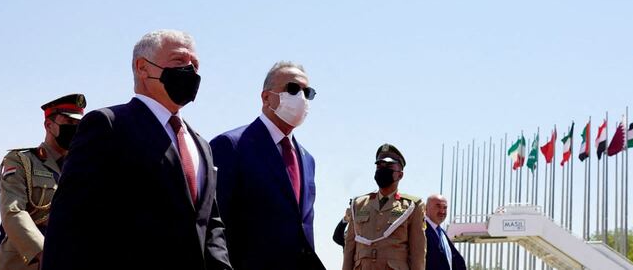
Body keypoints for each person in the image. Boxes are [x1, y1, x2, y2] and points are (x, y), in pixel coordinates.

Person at [41, 30, 231, 270]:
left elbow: (211, 224)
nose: (190, 71)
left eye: (195, 64)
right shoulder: (109, 125)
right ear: (143, 67)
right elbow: (69, 220)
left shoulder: (201, 145)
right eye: (179, 61)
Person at [211, 61, 326, 270]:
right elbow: (215, 223)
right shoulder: (231, 146)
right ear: (266, 97)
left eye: (307, 92)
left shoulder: (307, 159)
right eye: (292, 89)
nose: (301, 97)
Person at [0, 93, 86, 270]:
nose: (75, 130)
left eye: (79, 125)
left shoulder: (81, 167)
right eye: (70, 123)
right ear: (49, 125)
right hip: (24, 261)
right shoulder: (22, 161)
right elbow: (13, 212)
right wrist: (44, 256)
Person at [342, 144, 426, 270]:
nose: (383, 170)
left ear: (400, 175)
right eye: (379, 166)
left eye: (389, 166)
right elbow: (349, 248)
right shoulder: (358, 204)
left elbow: (417, 254)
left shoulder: (412, 207)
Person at [424, 194, 466, 270]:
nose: (442, 211)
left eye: (445, 207)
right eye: (438, 206)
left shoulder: (442, 233)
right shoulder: (420, 230)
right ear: (426, 208)